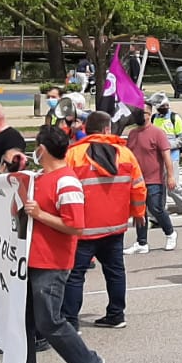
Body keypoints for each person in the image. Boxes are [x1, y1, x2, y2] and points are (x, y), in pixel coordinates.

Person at [0, 124, 104, 363]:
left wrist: (39, 215)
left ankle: (86, 362)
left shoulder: (67, 182)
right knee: (23, 323)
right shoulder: (38, 178)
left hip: (52, 263)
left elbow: (76, 227)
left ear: (42, 149)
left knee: (48, 322)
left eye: (36, 145)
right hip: (28, 260)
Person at [63, 112, 147, 329]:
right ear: (107, 129)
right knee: (115, 271)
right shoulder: (125, 154)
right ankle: (116, 314)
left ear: (86, 128)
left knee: (75, 276)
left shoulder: (73, 155)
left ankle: (71, 323)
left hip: (83, 229)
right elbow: (138, 187)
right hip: (115, 227)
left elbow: (61, 189)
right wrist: (138, 214)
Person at [125, 107, 178, 253]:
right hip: (137, 180)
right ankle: (142, 242)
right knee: (139, 211)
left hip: (154, 179)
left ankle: (170, 233)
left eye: (143, 113)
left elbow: (167, 156)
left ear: (149, 115)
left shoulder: (157, 133)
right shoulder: (133, 133)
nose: (139, 116)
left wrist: (170, 176)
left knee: (156, 208)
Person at [149, 94, 182, 216]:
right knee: (159, 188)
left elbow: (181, 140)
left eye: (166, 105)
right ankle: (158, 216)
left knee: (172, 187)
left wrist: (165, 145)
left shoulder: (175, 118)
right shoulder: (154, 118)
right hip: (157, 159)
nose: (165, 107)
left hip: (172, 158)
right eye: (162, 106)